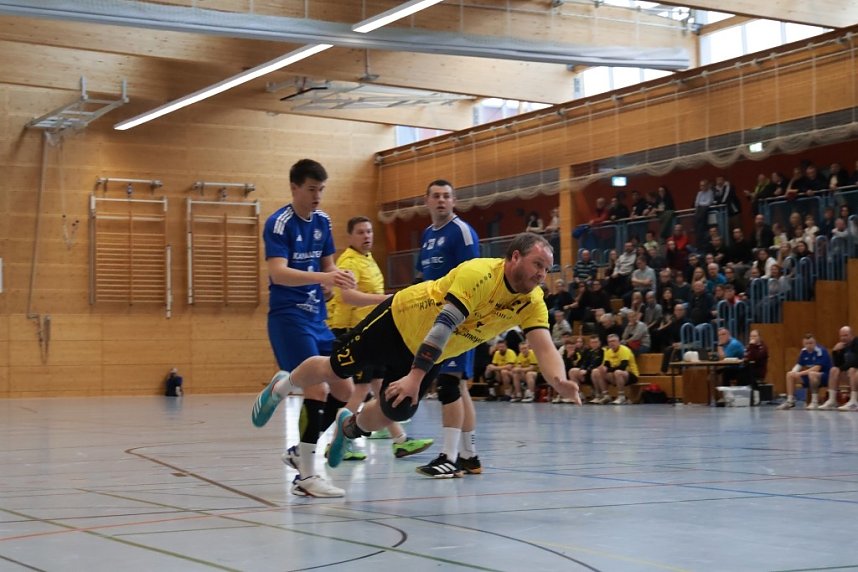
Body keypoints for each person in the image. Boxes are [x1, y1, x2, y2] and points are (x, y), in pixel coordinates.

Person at [251, 233, 581, 480]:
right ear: (513, 258)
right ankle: (282, 386)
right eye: (538, 264)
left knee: (396, 409)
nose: (542, 274)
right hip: (399, 320)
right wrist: (414, 376)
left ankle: (348, 429)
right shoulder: (479, 274)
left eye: (547, 269)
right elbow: (443, 326)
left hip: (428, 352)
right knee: (335, 368)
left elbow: (544, 345)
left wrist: (558, 380)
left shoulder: (533, 300)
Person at [257, 158, 357, 498]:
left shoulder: (323, 221)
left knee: (345, 389)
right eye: (312, 190)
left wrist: (337, 279)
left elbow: (329, 266)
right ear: (295, 187)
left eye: (322, 190)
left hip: (317, 318)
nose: (317, 197)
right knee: (317, 389)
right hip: (289, 317)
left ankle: (301, 449)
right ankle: (306, 477)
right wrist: (322, 277)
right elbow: (278, 273)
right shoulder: (279, 223)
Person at [324, 216, 433, 460]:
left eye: (370, 232)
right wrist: (384, 300)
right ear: (350, 237)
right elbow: (348, 297)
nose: (367, 236)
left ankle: (400, 440)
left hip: (373, 331)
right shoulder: (349, 261)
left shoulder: (369, 259)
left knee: (380, 385)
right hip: (352, 330)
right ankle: (337, 441)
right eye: (361, 232)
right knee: (361, 388)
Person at [414, 179, 482, 475]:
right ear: (427, 201)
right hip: (436, 320)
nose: (441, 201)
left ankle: (449, 457)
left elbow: (475, 278)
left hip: (459, 319)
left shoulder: (462, 232)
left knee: (448, 384)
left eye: (446, 196)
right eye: (436, 196)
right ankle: (469, 456)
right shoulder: (428, 235)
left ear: (454, 201)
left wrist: (462, 317)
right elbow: (424, 281)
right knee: (459, 387)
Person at [777, 333, 833, 410]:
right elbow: (799, 365)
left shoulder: (820, 351)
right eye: (806, 343)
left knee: (812, 374)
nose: (809, 345)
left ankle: (814, 402)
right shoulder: (803, 351)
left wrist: (800, 373)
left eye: (811, 343)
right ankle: (790, 401)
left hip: (825, 376)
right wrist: (794, 372)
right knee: (789, 375)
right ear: (803, 344)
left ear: (815, 343)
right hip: (810, 376)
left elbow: (817, 368)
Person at [591, 333, 640, 405]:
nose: (611, 343)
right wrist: (603, 369)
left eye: (613, 341)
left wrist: (607, 370)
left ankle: (621, 396)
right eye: (609, 342)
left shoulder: (624, 350)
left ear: (618, 342)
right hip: (615, 374)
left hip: (630, 375)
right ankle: (605, 395)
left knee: (618, 372)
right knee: (596, 371)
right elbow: (606, 365)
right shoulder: (608, 351)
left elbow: (623, 367)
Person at [819, 326, 858, 411]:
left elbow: (856, 361)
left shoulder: (856, 343)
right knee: (833, 369)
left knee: (852, 370)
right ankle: (832, 400)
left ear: (851, 335)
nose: (843, 338)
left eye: (846, 335)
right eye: (841, 336)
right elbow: (837, 364)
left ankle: (854, 401)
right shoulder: (843, 346)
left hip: (855, 370)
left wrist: (841, 368)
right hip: (848, 372)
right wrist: (835, 351)